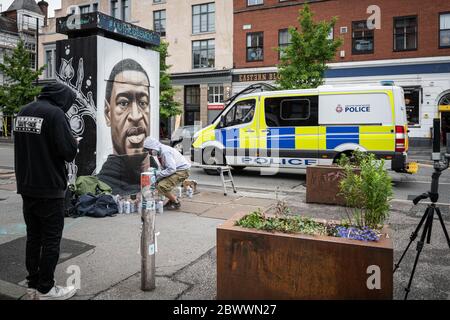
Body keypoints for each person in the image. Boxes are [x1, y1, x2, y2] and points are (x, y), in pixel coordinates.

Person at [14, 83, 79, 300]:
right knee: (51, 240)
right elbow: (68, 152)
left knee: (33, 238)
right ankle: (46, 288)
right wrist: (74, 142)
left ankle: (33, 284)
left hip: (27, 186)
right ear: (62, 99)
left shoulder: (24, 111)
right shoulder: (55, 114)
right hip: (49, 187)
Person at [97, 59, 151, 194]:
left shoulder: (155, 172)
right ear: (108, 114)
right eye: (123, 103)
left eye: (143, 103)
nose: (136, 115)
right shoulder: (103, 184)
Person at [143, 137, 191, 210]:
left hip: (182, 171)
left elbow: (171, 169)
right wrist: (157, 178)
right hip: (177, 169)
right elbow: (166, 168)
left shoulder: (165, 152)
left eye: (148, 150)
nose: (149, 153)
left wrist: (158, 174)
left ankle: (175, 202)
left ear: (153, 147)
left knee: (162, 186)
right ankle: (172, 198)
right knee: (158, 182)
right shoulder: (160, 151)